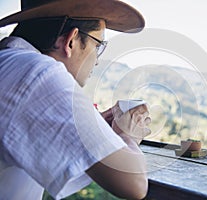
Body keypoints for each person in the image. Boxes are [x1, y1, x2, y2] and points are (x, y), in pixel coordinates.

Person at [0, 0, 151, 199]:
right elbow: (134, 184)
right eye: (98, 45)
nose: (97, 59)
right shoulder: (36, 72)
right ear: (71, 40)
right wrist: (128, 135)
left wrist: (96, 130)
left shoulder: (10, 64)